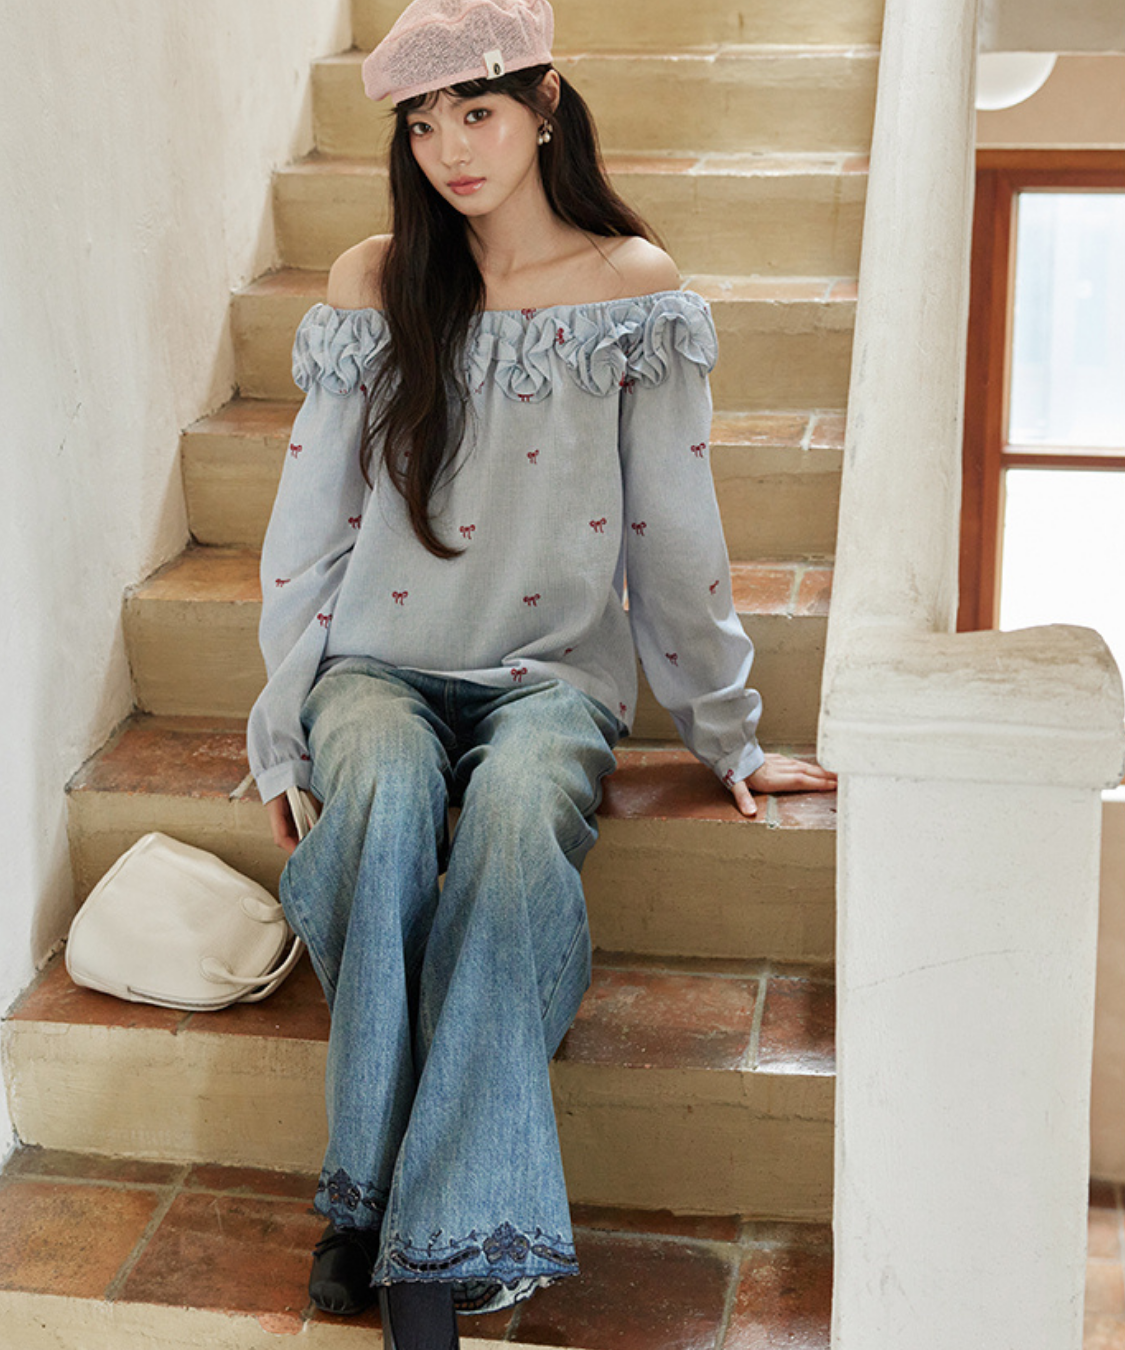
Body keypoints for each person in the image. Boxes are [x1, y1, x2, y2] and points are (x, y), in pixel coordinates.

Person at [247, 0, 837, 1344]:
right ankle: (381, 1212)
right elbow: (309, 531)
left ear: (545, 106)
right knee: (380, 802)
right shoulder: (375, 279)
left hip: (551, 675)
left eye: (478, 112)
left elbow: (674, 533)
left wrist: (728, 734)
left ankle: (410, 1244)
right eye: (423, 125)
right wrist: (283, 727)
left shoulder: (633, 288)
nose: (452, 149)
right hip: (377, 664)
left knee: (515, 827)